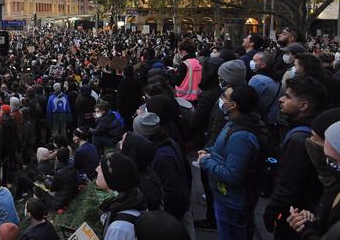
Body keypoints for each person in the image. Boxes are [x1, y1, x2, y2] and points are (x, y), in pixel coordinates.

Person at [198, 84, 267, 240]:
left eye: (225, 97)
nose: (221, 99)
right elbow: (225, 150)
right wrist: (211, 151)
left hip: (232, 201)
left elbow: (233, 175)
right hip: (228, 197)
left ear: (234, 104)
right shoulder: (235, 121)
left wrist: (206, 161)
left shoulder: (241, 136)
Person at [264, 76, 326, 239]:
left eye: (288, 97)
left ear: (303, 105)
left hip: (294, 216)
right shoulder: (311, 129)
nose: (281, 99)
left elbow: (287, 184)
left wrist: (272, 213)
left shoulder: (299, 140)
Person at [133, 112, 193, 237]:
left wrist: (166, 219)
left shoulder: (161, 157)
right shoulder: (167, 141)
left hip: (171, 217)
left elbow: (172, 191)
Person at [96, 151, 147, 240]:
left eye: (101, 169)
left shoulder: (119, 228)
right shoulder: (128, 199)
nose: (96, 169)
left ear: (112, 180)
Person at [173, 38, 202, 103]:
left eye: (179, 52)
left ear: (184, 52)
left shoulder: (184, 65)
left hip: (184, 99)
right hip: (198, 97)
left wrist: (172, 73)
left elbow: (176, 81)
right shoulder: (199, 63)